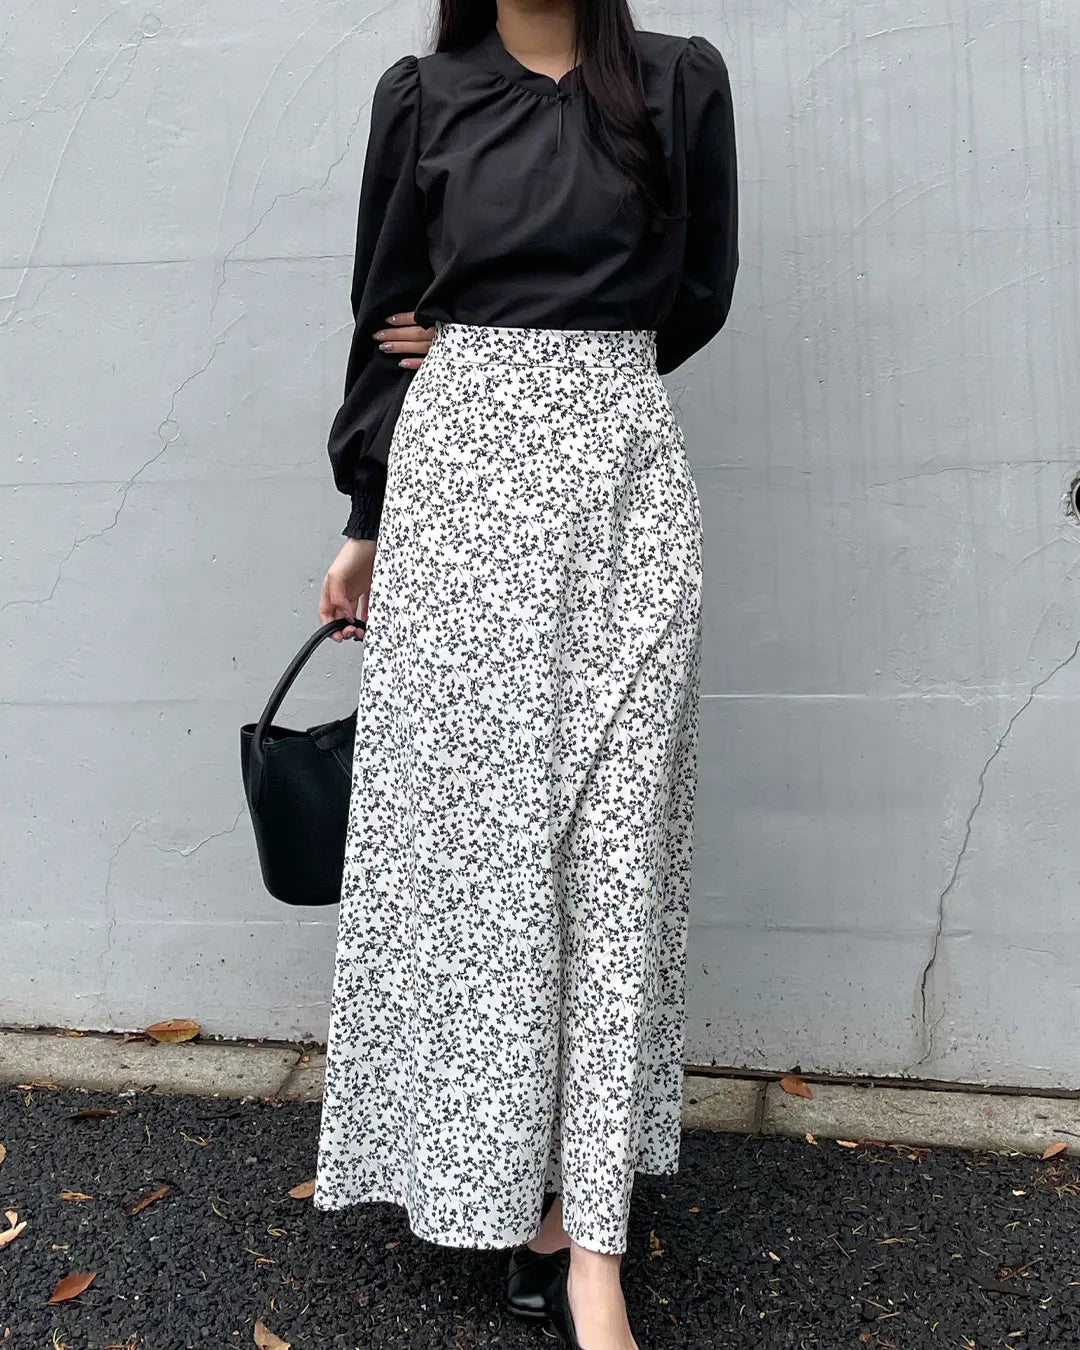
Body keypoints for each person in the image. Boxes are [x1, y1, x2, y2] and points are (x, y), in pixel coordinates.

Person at [312, 2, 738, 1347]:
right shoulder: (423, 98)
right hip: (459, 504)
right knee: (486, 863)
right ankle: (499, 1183)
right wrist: (365, 520)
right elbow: (384, 311)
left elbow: (698, 292)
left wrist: (544, 350)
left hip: (622, 492)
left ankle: (593, 1236)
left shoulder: (676, 83)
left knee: (617, 857)